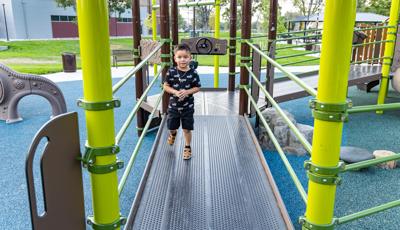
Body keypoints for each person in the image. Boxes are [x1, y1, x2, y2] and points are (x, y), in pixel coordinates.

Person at [163, 43, 201, 160]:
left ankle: (187, 147)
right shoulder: (171, 72)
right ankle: (173, 134)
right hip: (174, 106)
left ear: (190, 58)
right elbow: (166, 86)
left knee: (186, 129)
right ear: (175, 58)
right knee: (172, 127)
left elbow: (197, 87)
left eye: (185, 57)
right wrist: (175, 92)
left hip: (187, 107)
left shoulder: (193, 73)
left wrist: (187, 92)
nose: (182, 60)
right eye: (179, 57)